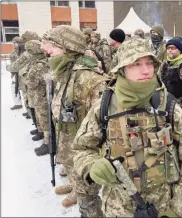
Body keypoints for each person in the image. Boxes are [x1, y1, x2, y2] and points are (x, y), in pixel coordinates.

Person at [72, 38, 182, 217]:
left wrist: (178, 209)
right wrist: (91, 166)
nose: (146, 70)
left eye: (149, 63)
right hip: (118, 208)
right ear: (122, 69)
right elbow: (82, 148)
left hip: (162, 206)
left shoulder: (167, 105)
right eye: (136, 64)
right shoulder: (105, 105)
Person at [40, 25, 109, 208]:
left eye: (52, 46)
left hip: (84, 149)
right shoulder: (66, 72)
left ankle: (84, 194)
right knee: (72, 168)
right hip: (69, 139)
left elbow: (105, 126)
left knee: (89, 203)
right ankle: (74, 185)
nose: (46, 51)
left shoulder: (89, 80)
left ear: (68, 48)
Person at [158, 37, 182, 106]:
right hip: (164, 104)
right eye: (168, 48)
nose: (170, 50)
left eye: (173, 48)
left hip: (180, 105)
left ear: (180, 50)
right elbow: (158, 84)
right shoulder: (163, 65)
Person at [9, 36, 23, 110]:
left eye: (16, 43)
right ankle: (18, 103)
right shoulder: (15, 51)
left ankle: (20, 104)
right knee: (14, 87)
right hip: (14, 72)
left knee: (21, 88)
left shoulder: (21, 52)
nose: (14, 44)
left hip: (19, 72)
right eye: (13, 43)